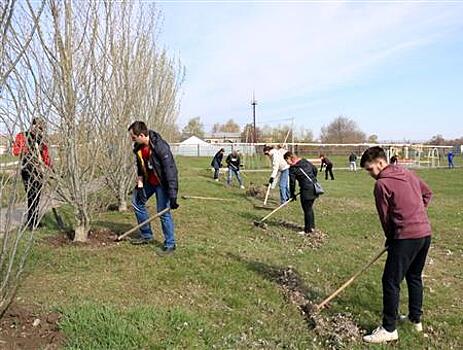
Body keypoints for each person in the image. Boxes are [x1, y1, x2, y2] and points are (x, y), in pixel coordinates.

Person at [360, 146, 432, 344]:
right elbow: (427, 194)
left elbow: (385, 218)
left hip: (406, 237)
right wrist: (417, 214)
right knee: (414, 276)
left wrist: (392, 237)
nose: (370, 174)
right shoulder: (408, 173)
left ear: (381, 163)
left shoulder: (381, 184)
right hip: (425, 233)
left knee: (390, 281)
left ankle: (389, 328)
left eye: (370, 169)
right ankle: (415, 320)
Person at [128, 121, 179, 255]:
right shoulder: (139, 147)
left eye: (133, 137)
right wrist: (140, 184)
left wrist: (173, 195)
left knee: (163, 212)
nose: (132, 140)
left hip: (162, 184)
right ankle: (146, 235)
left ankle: (170, 244)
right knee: (137, 202)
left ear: (142, 135)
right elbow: (140, 166)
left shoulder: (160, 147)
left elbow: (171, 171)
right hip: (148, 182)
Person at [12, 118, 51, 230]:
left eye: (41, 128)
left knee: (37, 196)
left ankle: (33, 221)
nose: (39, 129)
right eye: (37, 126)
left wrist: (51, 169)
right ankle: (31, 222)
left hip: (38, 170)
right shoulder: (22, 136)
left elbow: (46, 156)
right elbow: (15, 151)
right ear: (33, 125)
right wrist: (27, 149)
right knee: (31, 194)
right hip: (26, 168)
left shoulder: (42, 140)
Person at [284, 151, 319, 235]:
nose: (287, 163)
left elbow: (292, 183)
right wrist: (312, 179)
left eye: (286, 160)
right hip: (314, 187)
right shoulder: (304, 161)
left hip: (306, 190)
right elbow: (315, 169)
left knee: (307, 209)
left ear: (289, 158)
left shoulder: (292, 169)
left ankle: (308, 230)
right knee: (309, 208)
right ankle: (312, 227)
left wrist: (292, 194)